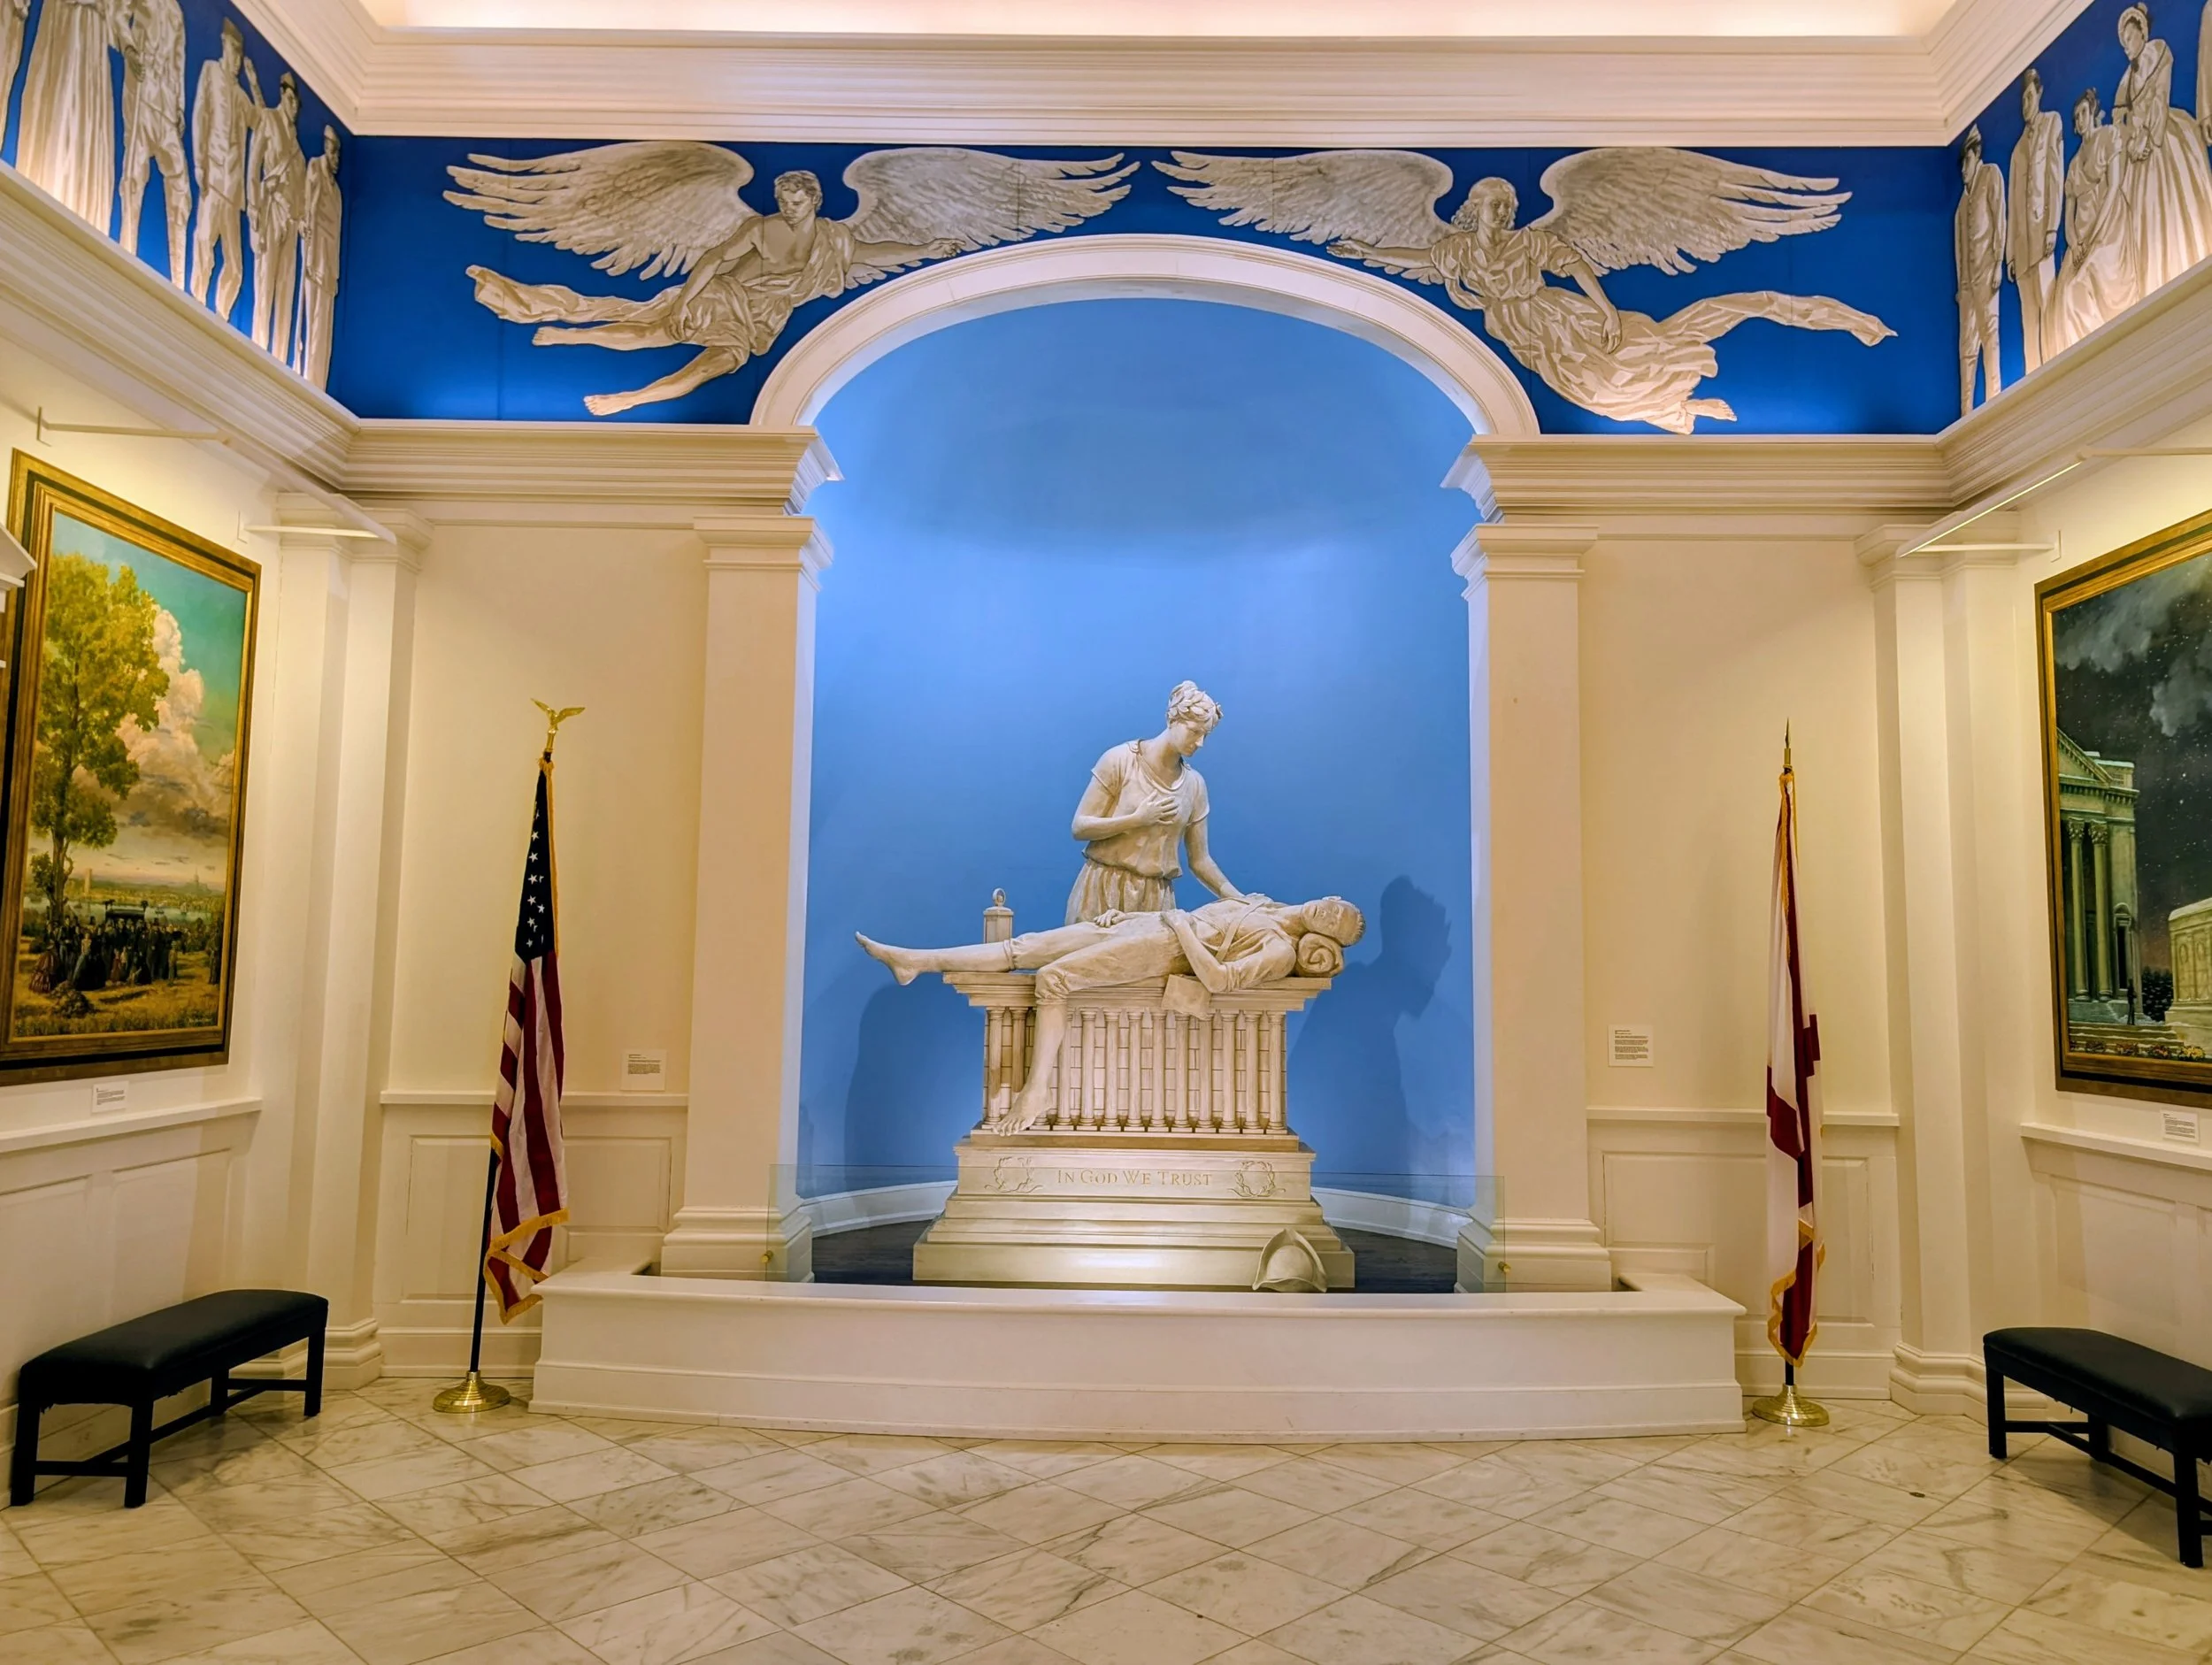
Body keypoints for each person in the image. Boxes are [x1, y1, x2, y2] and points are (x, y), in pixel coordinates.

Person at [1334, 178, 1888, 436]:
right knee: (1597, 395)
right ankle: (1682, 410)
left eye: (1507, 205)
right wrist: (1364, 250)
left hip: (1554, 313)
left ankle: (1832, 320)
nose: (1502, 212)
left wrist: (1603, 311)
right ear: (1474, 209)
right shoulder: (1455, 250)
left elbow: (1575, 266)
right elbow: (1418, 257)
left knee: (1627, 367)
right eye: (1493, 205)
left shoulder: (1529, 243)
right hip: (1524, 332)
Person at [467, 169, 957, 417]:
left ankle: (630, 399)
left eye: (796, 200)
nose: (788, 207)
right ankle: (571, 338)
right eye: (783, 199)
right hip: (722, 296)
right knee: (648, 336)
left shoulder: (837, 239)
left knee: (710, 367)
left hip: (765, 317)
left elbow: (875, 252)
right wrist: (684, 301)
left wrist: (928, 247)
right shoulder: (761, 228)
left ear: (815, 200)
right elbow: (712, 260)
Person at [859, 893, 1364, 1130]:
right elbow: (1190, 915)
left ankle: (1036, 1093)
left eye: (1339, 922)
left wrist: (1177, 928)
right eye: (1338, 904)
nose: (1333, 910)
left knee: (1054, 978)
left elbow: (1217, 979)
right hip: (1145, 928)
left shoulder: (1277, 947)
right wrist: (1135, 915)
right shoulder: (1260, 902)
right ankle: (914, 960)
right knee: (1025, 947)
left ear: (1328, 938)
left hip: (1159, 950)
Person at [1064, 681, 1241, 925]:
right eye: (1194, 731)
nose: (1200, 743)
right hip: (1103, 887)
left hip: (1156, 900)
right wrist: (1136, 820)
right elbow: (1080, 827)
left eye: (1205, 735)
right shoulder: (1120, 760)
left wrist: (1238, 899)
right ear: (1172, 721)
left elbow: (1200, 860)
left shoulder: (1194, 785)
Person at [2112, 4, 2212, 300]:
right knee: (2145, 216)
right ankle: (2154, 277)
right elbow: (2119, 118)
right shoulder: (2126, 80)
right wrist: (2131, 140)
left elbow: (2159, 97)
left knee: (2172, 200)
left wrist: (2148, 138)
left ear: (2142, 33)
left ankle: (2185, 259)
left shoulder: (2159, 53)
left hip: (2161, 135)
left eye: (2129, 39)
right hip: (2138, 147)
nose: (2126, 46)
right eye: (2123, 43)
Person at [15, 0, 127, 228]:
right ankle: (57, 176)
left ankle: (82, 194)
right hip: (69, 22)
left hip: (93, 33)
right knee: (65, 89)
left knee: (86, 109)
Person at [2052, 89, 2144, 354]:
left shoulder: (2109, 137)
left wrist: (2093, 237)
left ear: (2092, 112)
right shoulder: (2073, 164)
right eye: (2075, 117)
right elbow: (2068, 216)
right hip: (2080, 240)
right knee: (2067, 293)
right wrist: (2075, 242)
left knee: (2084, 281)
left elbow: (2114, 187)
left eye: (2082, 113)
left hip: (2109, 225)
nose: (2078, 120)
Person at [117, 0, 188, 284]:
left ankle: (180, 281)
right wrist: (130, 49)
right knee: (134, 173)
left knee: (181, 187)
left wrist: (180, 105)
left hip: (166, 104)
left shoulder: (177, 13)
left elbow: (179, 61)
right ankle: (125, 248)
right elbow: (120, 14)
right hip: (143, 89)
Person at [189, 22, 256, 319]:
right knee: (204, 241)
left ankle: (221, 314)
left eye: (240, 54)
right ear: (224, 44)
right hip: (213, 177)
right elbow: (200, 117)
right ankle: (196, 299)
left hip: (233, 189)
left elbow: (261, 122)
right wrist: (199, 163)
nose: (237, 59)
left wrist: (254, 83)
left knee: (236, 266)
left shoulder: (241, 95)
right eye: (234, 50)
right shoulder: (211, 73)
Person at [246, 72, 306, 360]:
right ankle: (258, 343)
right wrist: (253, 209)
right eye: (292, 100)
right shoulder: (269, 120)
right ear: (285, 95)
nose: (294, 108)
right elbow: (253, 164)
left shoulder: (297, 148)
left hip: (291, 219)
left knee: (285, 288)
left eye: (297, 104)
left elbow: (301, 189)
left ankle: (279, 356)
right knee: (265, 280)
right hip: (270, 208)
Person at [2009, 70, 2066, 372]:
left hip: (2043, 234)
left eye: (2029, 97)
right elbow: (2014, 204)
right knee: (2028, 316)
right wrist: (2010, 254)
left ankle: (2055, 365)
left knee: (2048, 303)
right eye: (2023, 100)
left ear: (2039, 95)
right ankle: (2035, 372)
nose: (2025, 105)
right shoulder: (2018, 149)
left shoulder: (2051, 124)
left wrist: (2053, 227)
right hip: (2022, 244)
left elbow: (2055, 178)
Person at [1955, 127, 2006, 415]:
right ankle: (1966, 411)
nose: (1963, 169)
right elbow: (1960, 247)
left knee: (1991, 336)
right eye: (1961, 163)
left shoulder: (1991, 177)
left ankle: (1994, 400)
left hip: (1987, 272)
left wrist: (1998, 261)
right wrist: (1962, 287)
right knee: (1967, 348)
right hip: (1968, 285)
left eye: (1966, 161)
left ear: (1976, 156)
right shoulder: (1962, 204)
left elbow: (1999, 219)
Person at [294, 127, 342, 387]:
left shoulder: (337, 192)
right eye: (335, 153)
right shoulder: (315, 169)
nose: (336, 160)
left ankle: (316, 380)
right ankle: (307, 374)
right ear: (327, 149)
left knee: (323, 320)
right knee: (312, 315)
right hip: (315, 257)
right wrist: (310, 257)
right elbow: (309, 211)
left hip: (329, 264)